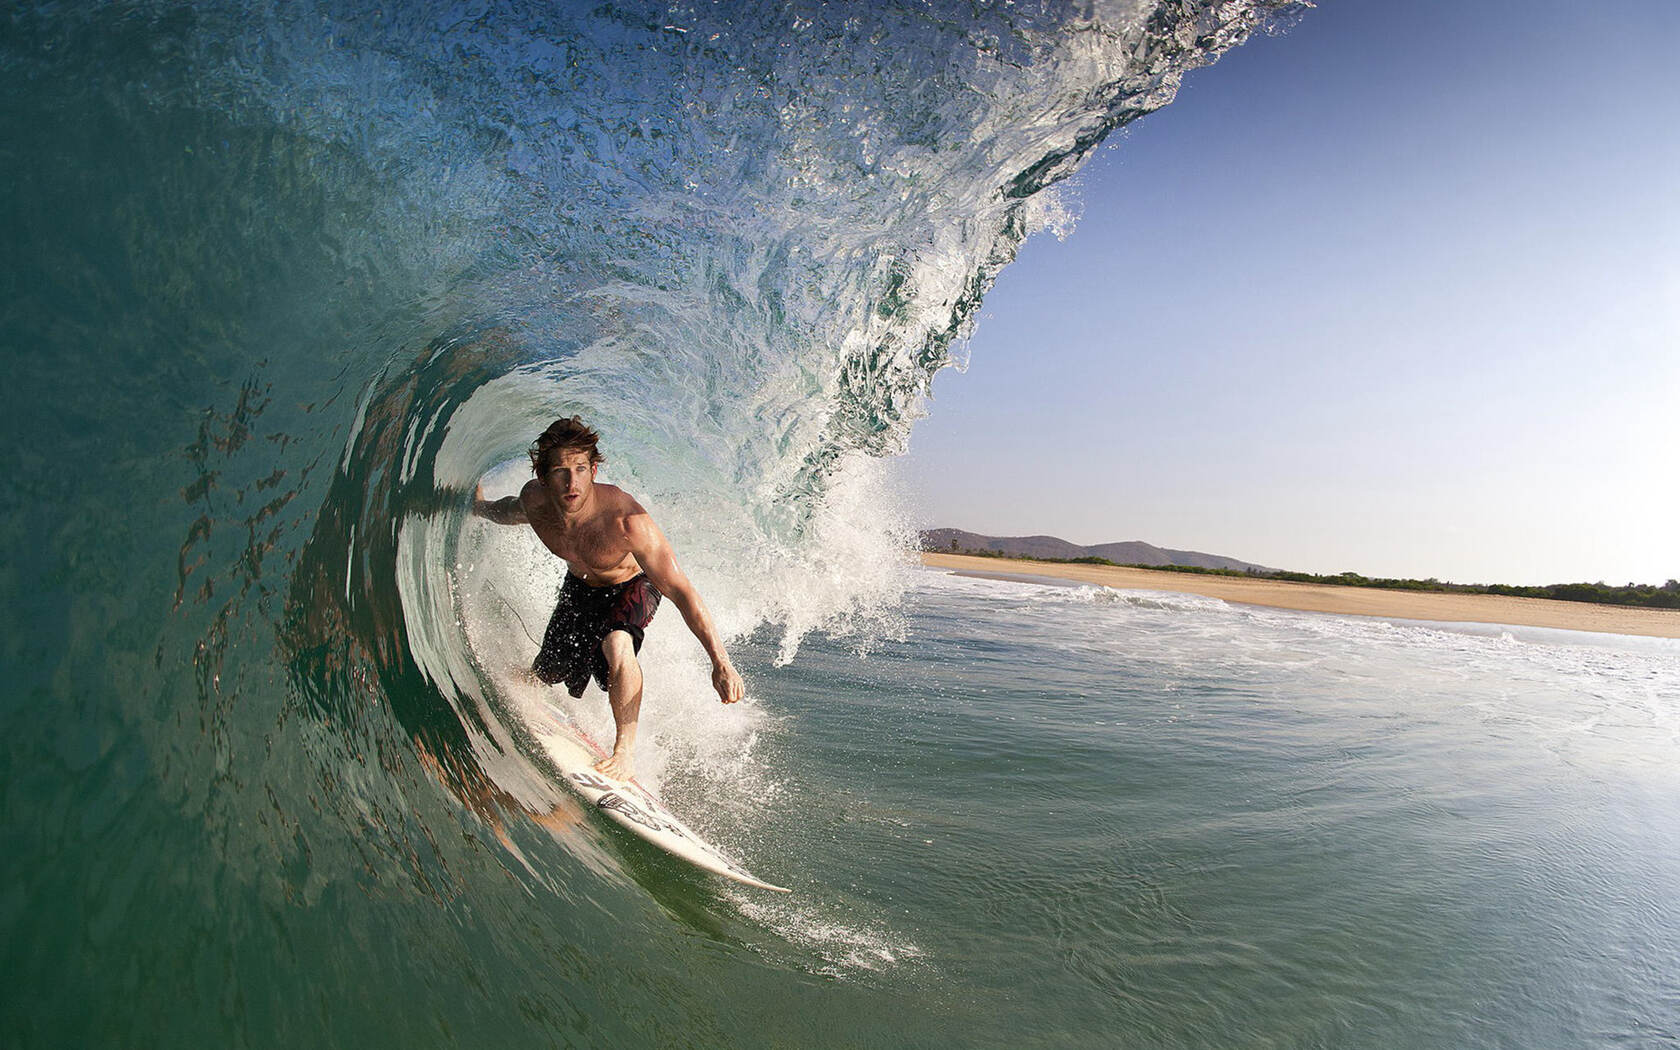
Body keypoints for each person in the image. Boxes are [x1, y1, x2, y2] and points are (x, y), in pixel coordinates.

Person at [472, 416, 744, 780]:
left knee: (617, 643)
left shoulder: (627, 522)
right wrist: (479, 507)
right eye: (561, 471)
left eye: (581, 469)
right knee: (547, 671)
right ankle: (527, 688)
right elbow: (509, 511)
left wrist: (720, 661)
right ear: (542, 476)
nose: (572, 482)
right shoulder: (535, 502)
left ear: (594, 469)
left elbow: (681, 591)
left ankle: (624, 752)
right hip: (581, 588)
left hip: (633, 585)